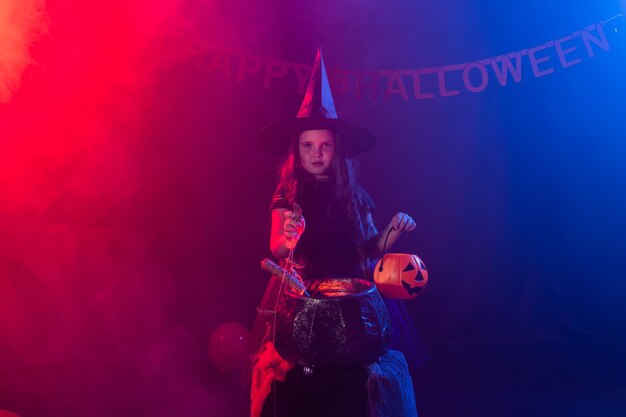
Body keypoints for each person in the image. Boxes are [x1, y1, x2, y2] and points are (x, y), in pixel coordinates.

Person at [251, 48, 427, 417]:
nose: (316, 154)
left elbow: (369, 251)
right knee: (306, 375)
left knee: (356, 377)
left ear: (337, 150)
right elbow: (278, 247)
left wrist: (393, 229)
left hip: (353, 293)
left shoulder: (353, 194)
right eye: (308, 146)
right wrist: (289, 236)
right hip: (305, 295)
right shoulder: (288, 194)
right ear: (296, 151)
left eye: (325, 146)